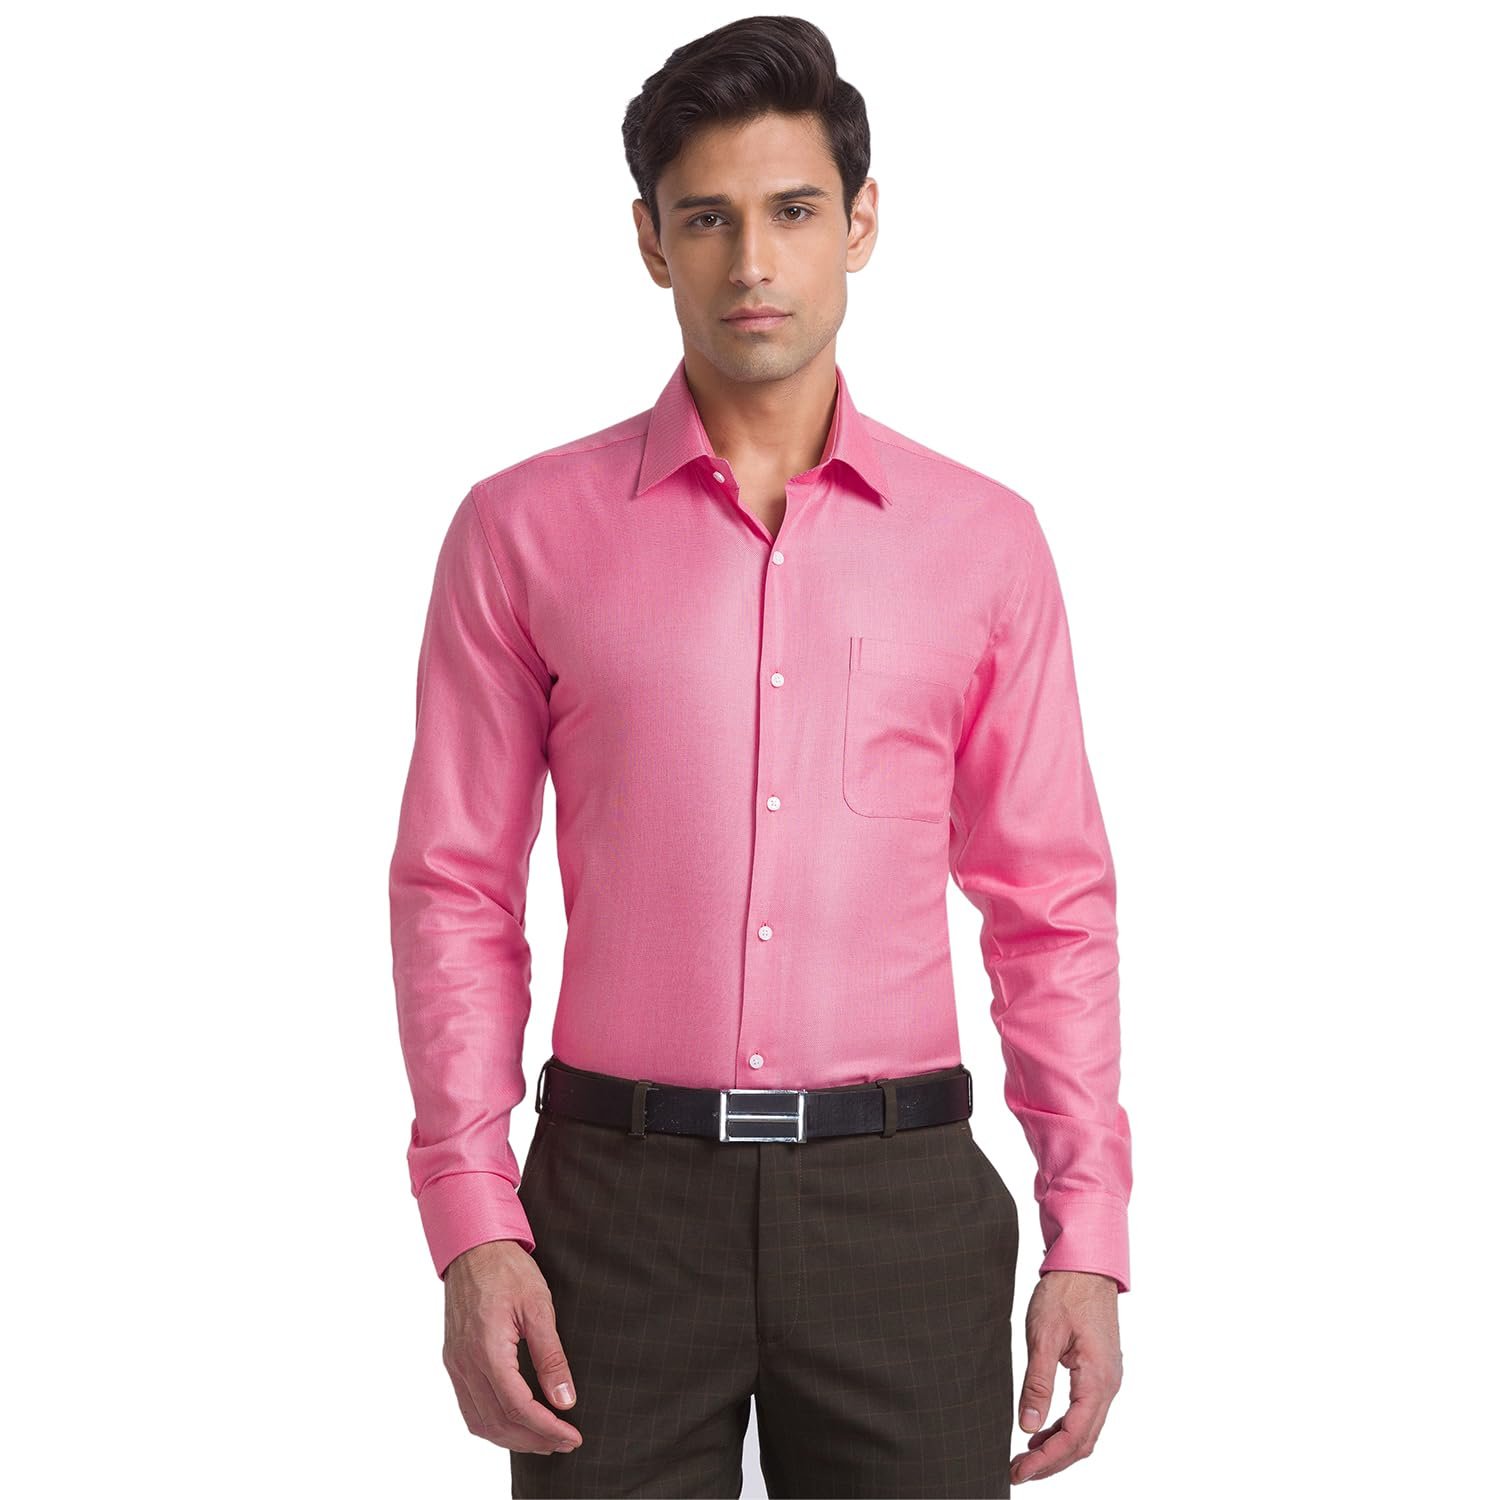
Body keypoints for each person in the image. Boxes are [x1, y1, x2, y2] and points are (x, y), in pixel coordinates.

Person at [388, 15, 1131, 1498]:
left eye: (793, 211)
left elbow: (1051, 906)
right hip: (612, 1213)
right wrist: (472, 1218)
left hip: (900, 1207)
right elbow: (455, 889)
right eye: (706, 219)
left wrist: (1088, 1236)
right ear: (649, 242)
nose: (752, 263)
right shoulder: (520, 532)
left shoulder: (985, 542)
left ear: (861, 223)